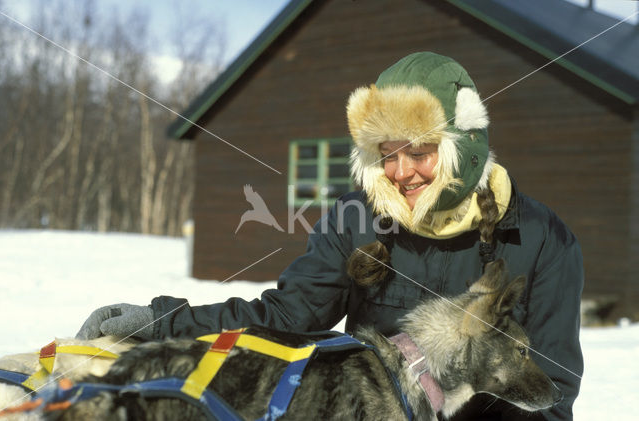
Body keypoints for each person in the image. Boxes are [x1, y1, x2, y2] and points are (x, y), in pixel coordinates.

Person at [77, 52, 583, 420]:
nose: (401, 171)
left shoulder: (541, 240)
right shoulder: (356, 218)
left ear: (463, 146)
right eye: (387, 153)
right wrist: (161, 320)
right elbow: (287, 317)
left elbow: (553, 392)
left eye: (420, 151)